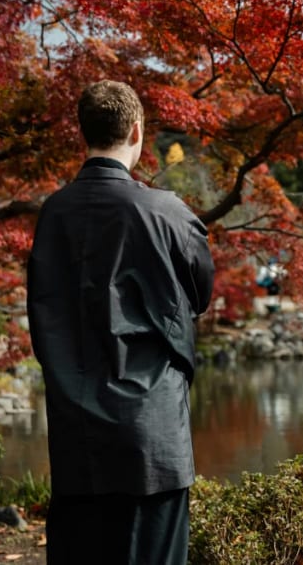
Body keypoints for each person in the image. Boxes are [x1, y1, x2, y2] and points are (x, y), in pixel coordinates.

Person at [27, 80, 214, 565]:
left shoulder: (54, 213)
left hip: (76, 429)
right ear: (136, 130)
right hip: (152, 430)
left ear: (83, 132)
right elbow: (200, 294)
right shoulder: (167, 213)